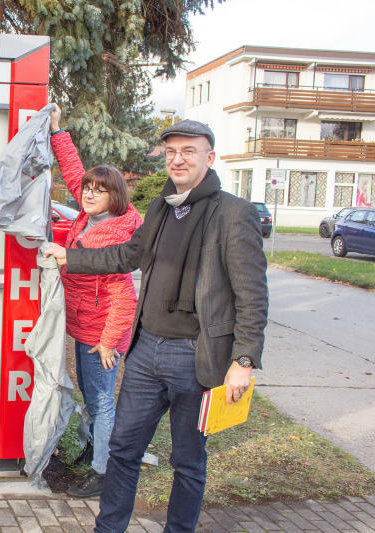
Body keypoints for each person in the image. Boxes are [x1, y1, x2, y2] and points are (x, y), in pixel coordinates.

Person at [44, 120, 268, 532]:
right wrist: (69, 258)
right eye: (171, 152)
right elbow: (126, 255)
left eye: (189, 151)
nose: (178, 159)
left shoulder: (235, 213)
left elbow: (252, 295)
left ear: (209, 157)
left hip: (195, 356)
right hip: (146, 352)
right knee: (123, 449)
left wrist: (244, 359)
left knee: (187, 461)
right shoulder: (162, 207)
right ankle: (108, 528)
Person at [49, 104, 142, 498]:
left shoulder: (117, 235)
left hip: (102, 335)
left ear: (114, 197)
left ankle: (105, 472)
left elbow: (125, 296)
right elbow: (73, 171)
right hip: (85, 327)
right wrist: (57, 131)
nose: (87, 194)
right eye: (87, 189)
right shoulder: (89, 217)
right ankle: (93, 449)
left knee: (103, 401)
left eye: (97, 191)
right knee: (92, 396)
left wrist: (108, 343)